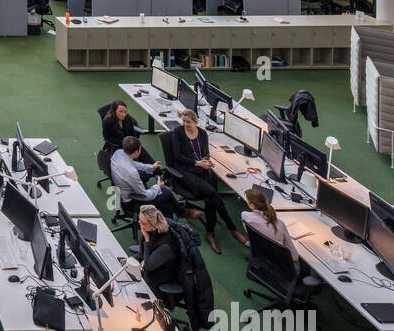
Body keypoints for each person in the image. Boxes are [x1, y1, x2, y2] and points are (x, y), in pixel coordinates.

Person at [163, 109, 248, 254]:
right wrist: (197, 163)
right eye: (183, 122)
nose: (185, 124)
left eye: (188, 122)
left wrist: (206, 161)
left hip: (201, 170)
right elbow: (177, 157)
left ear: (195, 121)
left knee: (211, 198)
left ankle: (210, 234)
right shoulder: (178, 132)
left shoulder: (202, 133)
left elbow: (205, 153)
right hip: (185, 171)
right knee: (213, 193)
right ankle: (232, 229)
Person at [137, 203, 214, 329]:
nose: (140, 223)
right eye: (139, 219)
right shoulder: (153, 231)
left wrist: (146, 239)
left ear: (152, 225)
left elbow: (149, 265)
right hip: (153, 271)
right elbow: (144, 254)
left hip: (161, 281)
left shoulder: (166, 245)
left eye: (143, 222)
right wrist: (130, 260)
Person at [110, 137, 187, 220]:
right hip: (132, 202)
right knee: (167, 193)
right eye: (140, 149)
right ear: (136, 152)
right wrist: (158, 186)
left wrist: (150, 167)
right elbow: (144, 195)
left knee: (168, 206)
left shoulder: (119, 153)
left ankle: (173, 221)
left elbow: (132, 163)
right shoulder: (131, 173)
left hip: (122, 193)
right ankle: (182, 212)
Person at [242, 186, 299, 262]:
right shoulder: (280, 224)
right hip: (280, 264)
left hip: (262, 255)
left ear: (252, 205)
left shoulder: (245, 216)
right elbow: (295, 257)